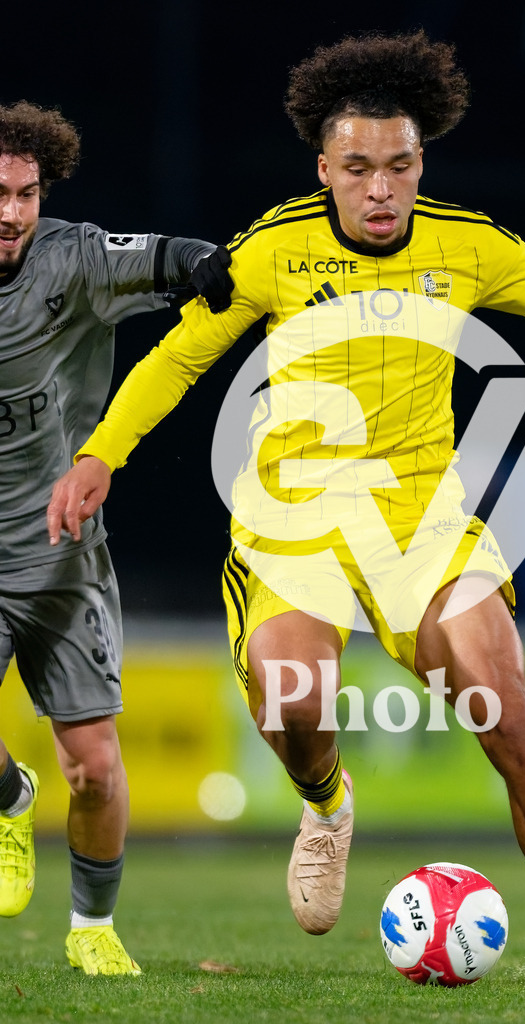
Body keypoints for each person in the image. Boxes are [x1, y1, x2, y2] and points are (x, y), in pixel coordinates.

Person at [47, 32, 525, 989]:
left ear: (420, 160)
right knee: (292, 697)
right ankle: (326, 800)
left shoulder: (466, 246)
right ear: (325, 168)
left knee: (508, 709)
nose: (380, 188)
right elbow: (178, 358)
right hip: (293, 526)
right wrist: (103, 451)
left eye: (398, 165)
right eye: (358, 168)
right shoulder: (273, 251)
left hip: (423, 527)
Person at [0, 100, 229, 975]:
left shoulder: (72, 259)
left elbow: (176, 256)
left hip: (63, 554)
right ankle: (10, 796)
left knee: (92, 767)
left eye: (26, 193)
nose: (10, 211)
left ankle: (92, 928)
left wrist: (210, 267)